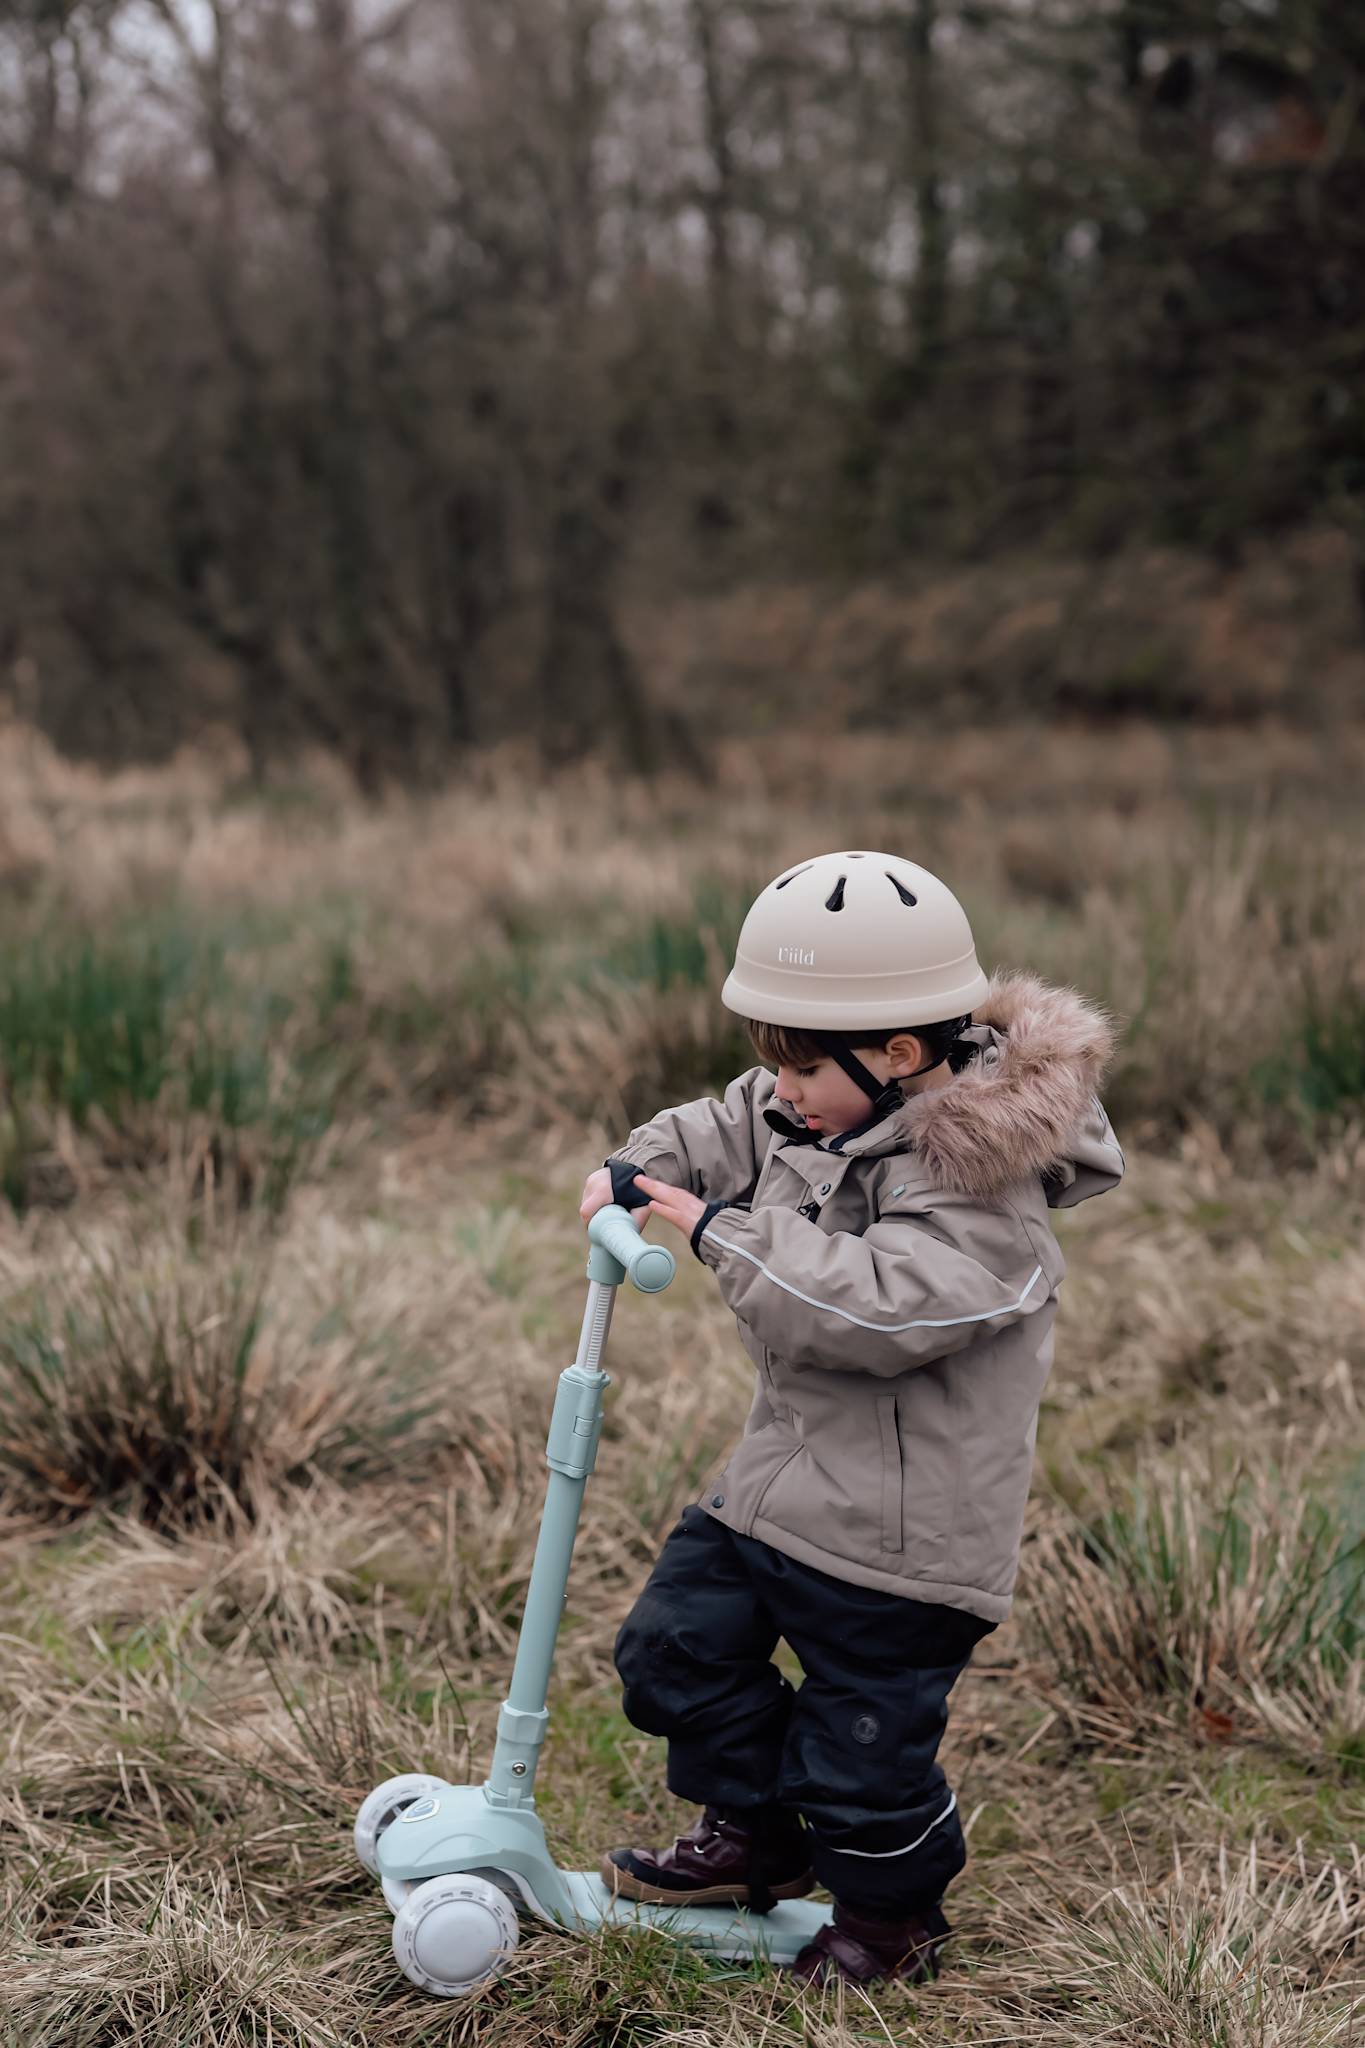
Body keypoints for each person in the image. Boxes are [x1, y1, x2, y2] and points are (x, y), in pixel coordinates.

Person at [579, 850, 1124, 1989]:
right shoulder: (814, 1100)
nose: (778, 1088)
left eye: (800, 1065)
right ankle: (756, 1835)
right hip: (784, 1490)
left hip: (905, 1547)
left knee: (861, 1757)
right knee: (672, 1648)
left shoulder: (983, 1187)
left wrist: (717, 1228)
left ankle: (891, 1920)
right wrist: (641, 1165)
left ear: (900, 1057)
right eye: (771, 1059)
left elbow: (875, 1311)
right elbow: (731, 1119)